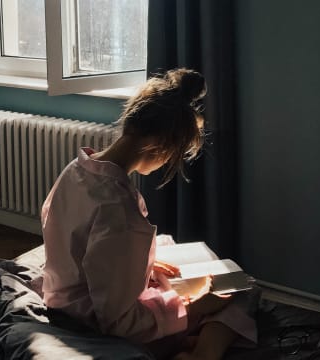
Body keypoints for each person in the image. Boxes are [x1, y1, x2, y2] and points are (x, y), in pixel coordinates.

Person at [40, 68, 257, 360]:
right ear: (160, 146)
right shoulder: (117, 211)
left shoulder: (77, 168)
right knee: (242, 292)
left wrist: (149, 266)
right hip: (90, 321)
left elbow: (86, 248)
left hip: (62, 296)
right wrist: (192, 307)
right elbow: (120, 323)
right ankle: (205, 353)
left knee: (190, 275)